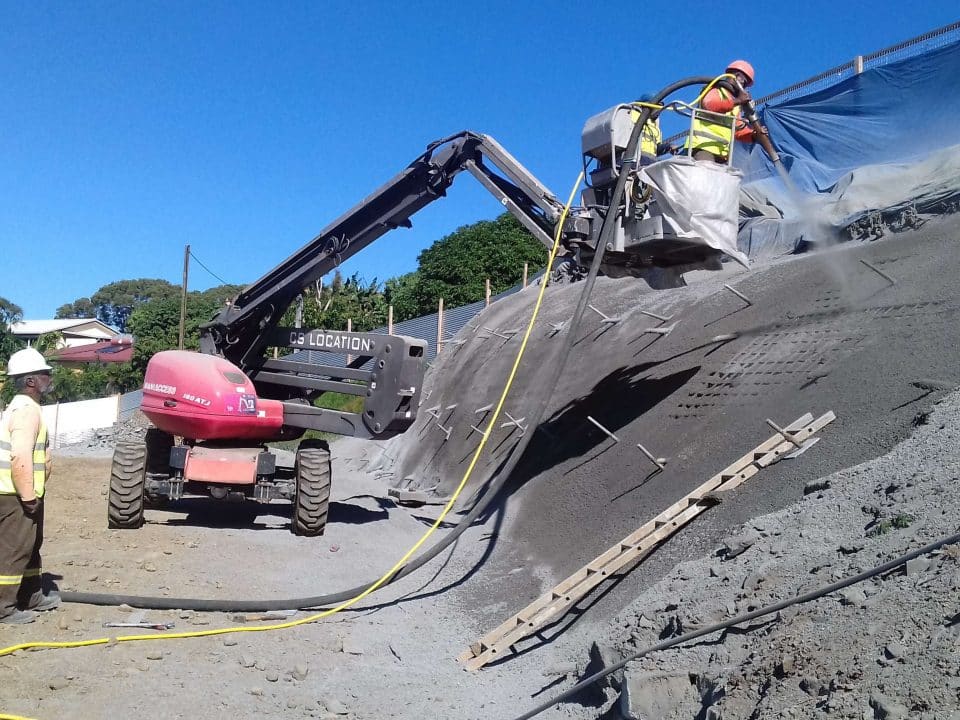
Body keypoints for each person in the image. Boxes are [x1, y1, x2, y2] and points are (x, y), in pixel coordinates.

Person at [0, 347, 60, 624]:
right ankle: (5, 607)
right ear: (30, 381)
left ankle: (32, 594)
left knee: (31, 545)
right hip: (14, 494)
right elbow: (21, 456)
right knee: (15, 550)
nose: (49, 377)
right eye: (44, 374)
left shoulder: (25, 408)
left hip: (22, 492)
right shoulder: (26, 411)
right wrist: (27, 496)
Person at [687, 59, 757, 163]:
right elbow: (711, 105)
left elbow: (738, 130)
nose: (744, 86)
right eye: (744, 82)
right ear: (737, 76)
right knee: (707, 173)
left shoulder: (735, 105)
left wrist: (753, 135)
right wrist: (738, 100)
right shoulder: (715, 90)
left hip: (721, 154)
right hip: (703, 147)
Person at [633, 94, 675, 166]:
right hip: (635, 157)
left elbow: (657, 147)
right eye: (657, 106)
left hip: (651, 159)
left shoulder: (655, 126)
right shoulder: (633, 115)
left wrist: (669, 146)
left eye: (660, 107)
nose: (659, 110)